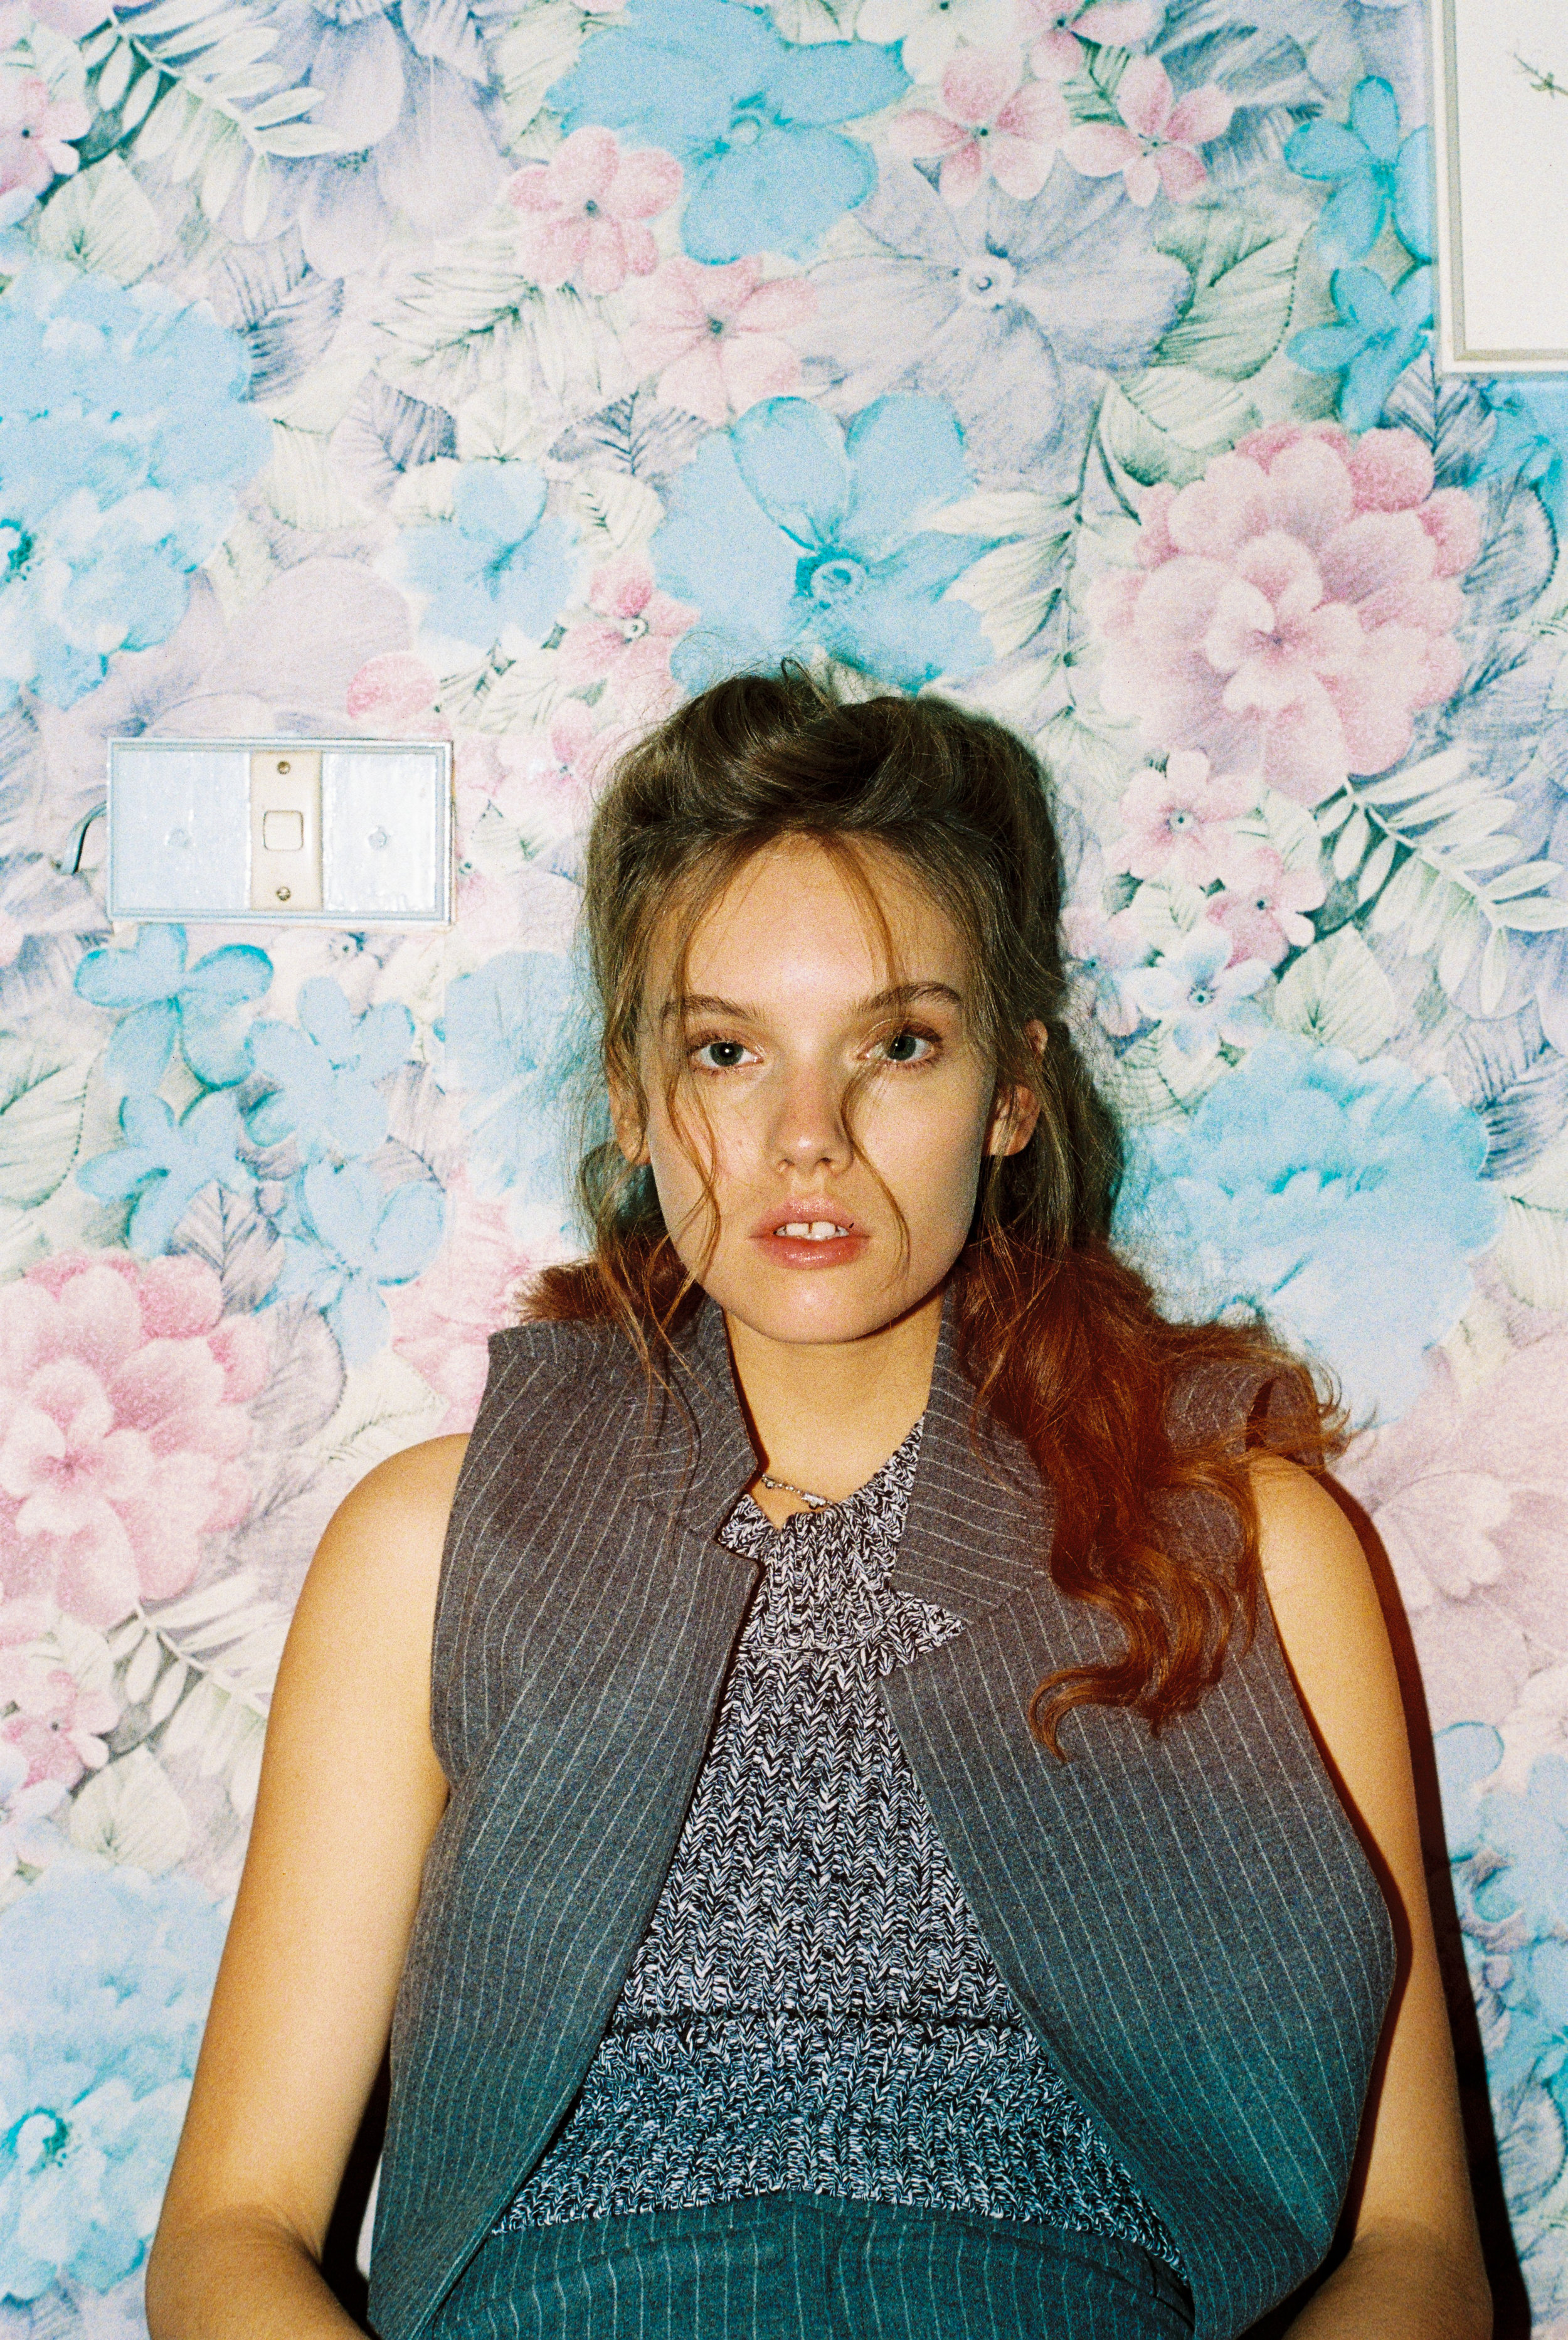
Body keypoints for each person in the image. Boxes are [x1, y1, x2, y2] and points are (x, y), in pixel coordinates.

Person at [147, 671, 1491, 2340]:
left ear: (1011, 1090)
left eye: (897, 1045)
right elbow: (232, 2230)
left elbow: (1416, 2257)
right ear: (633, 1096)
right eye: (728, 1051)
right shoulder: (433, 1550)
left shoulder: (1248, 1547)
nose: (809, 1138)